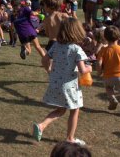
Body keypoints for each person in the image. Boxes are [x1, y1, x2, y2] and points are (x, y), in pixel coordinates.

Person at [33, 18, 92, 146]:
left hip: (56, 83)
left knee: (60, 110)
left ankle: (41, 125)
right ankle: (70, 138)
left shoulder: (56, 46)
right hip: (70, 86)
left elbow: (44, 60)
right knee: (75, 110)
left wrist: (49, 70)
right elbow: (83, 69)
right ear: (77, 31)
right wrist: (90, 68)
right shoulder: (76, 49)